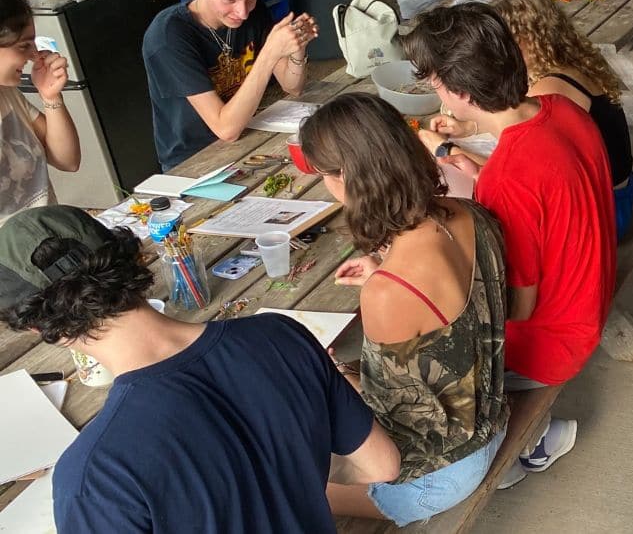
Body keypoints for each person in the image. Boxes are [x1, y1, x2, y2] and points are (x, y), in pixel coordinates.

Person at [0, 205, 401, 532]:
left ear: (40, 327)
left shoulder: (92, 475)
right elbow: (382, 465)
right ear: (128, 259)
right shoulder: (279, 335)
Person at [403, 3, 614, 486]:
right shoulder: (561, 108)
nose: (435, 93)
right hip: (588, 298)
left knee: (411, 340)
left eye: (434, 83)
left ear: (457, 91)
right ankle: (531, 430)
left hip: (551, 341)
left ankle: (518, 442)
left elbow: (516, 308)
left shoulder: (510, 174)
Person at [298, 94, 508, 527]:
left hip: (436, 476)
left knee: (275, 477)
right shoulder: (468, 213)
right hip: (491, 416)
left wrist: (337, 376)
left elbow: (386, 434)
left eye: (324, 175)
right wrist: (384, 272)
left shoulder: (387, 293)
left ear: (347, 179)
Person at [142, 0, 316, 170]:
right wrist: (268, 54)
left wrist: (297, 45)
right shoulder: (169, 36)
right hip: (194, 161)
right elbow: (226, 130)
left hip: (249, 134)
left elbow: (293, 87)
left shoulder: (253, 13)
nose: (242, 12)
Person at [484, 0, 633, 235]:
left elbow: (514, 151)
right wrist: (469, 127)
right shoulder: (573, 61)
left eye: (505, 42)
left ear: (527, 39)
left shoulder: (548, 88)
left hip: (606, 213)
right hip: (623, 190)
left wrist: (451, 148)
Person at [0, 0, 78, 225]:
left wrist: (51, 97)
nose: (34, 55)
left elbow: (68, 161)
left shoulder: (8, 94)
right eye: (24, 46)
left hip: (49, 236)